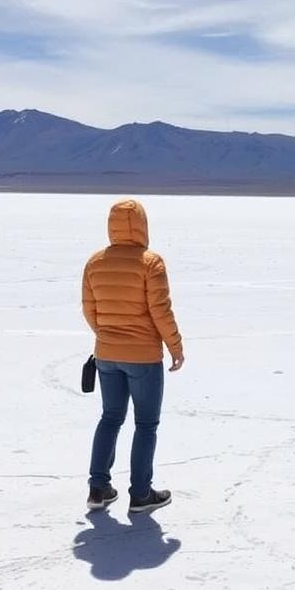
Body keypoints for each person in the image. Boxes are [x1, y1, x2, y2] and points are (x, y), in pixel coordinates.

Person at [82, 199, 184, 513]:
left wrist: (107, 336)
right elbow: (160, 311)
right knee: (146, 424)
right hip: (143, 358)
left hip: (106, 355)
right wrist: (175, 346)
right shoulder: (150, 263)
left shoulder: (95, 262)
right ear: (142, 225)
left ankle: (98, 488)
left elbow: (89, 309)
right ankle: (141, 494)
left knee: (110, 417)